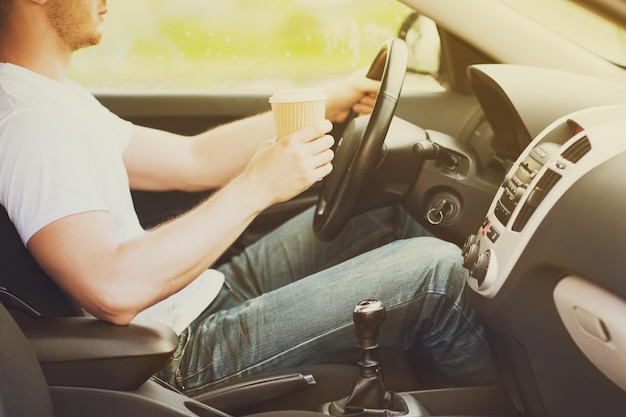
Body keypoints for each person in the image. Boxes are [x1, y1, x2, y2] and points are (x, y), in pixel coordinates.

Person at [0, 0, 498, 397]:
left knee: (390, 208)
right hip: (168, 354)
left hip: (195, 298)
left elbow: (192, 159)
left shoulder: (53, 98)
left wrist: (327, 101)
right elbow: (110, 289)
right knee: (438, 274)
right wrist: (258, 187)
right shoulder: (27, 123)